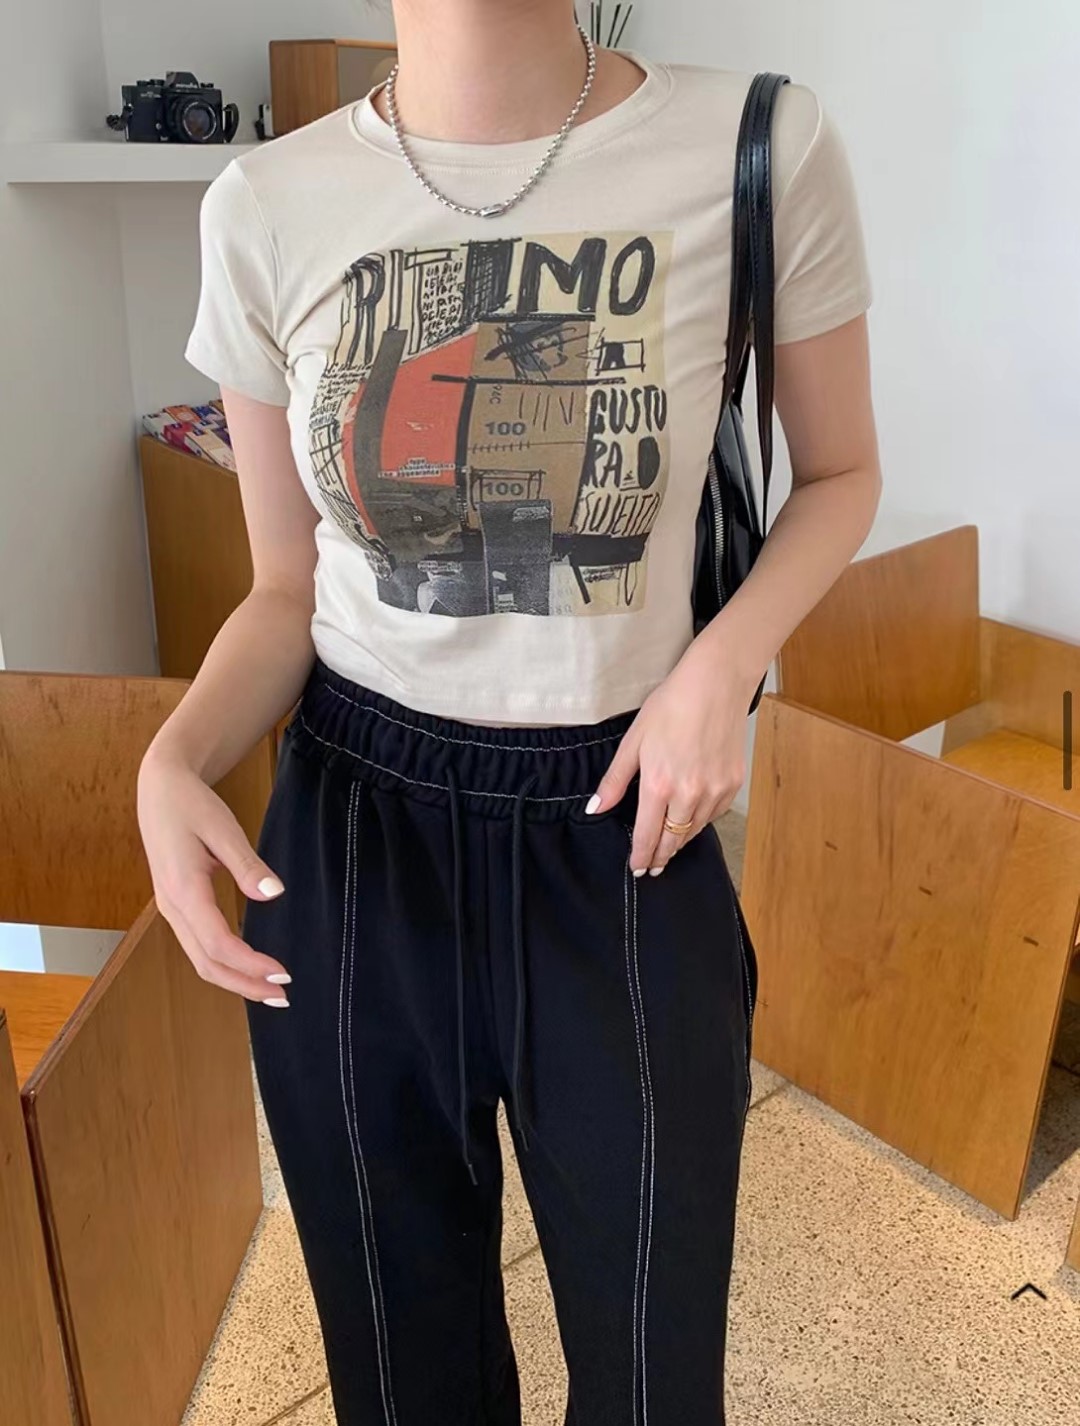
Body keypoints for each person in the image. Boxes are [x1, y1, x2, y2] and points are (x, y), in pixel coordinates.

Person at [137, 2, 882, 1421]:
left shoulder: (758, 145)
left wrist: (719, 668)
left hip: (624, 828)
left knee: (655, 1366)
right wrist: (171, 761)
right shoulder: (266, 204)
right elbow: (284, 586)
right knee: (402, 1372)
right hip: (357, 834)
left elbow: (840, 474)